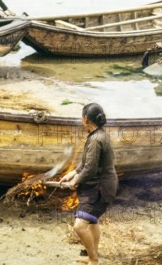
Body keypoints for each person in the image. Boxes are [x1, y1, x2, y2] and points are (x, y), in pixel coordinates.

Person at [60, 103, 118, 265]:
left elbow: (90, 169)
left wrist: (75, 181)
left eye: (82, 117)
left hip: (100, 188)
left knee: (79, 226)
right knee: (92, 221)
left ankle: (93, 259)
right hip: (103, 185)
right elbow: (87, 162)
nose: (81, 120)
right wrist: (73, 173)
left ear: (86, 119)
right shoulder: (99, 135)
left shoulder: (95, 140)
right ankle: (93, 255)